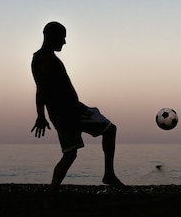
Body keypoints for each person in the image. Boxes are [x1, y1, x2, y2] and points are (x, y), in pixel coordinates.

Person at [31, 21, 125, 202]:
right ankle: (109, 175)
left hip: (62, 113)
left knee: (69, 154)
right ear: (51, 36)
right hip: (71, 112)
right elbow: (41, 89)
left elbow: (40, 88)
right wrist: (40, 115)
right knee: (110, 129)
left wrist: (43, 115)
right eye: (62, 37)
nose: (64, 42)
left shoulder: (42, 57)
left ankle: (51, 195)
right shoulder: (45, 59)